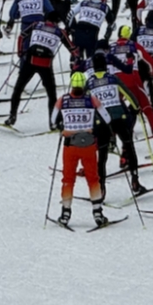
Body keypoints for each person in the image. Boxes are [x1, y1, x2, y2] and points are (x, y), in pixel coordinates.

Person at [51, 72, 115, 228]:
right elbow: (107, 118)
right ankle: (98, 213)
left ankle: (65, 213)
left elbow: (53, 120)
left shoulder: (63, 100)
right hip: (88, 145)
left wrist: (62, 125)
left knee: (68, 179)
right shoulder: (91, 99)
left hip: (70, 145)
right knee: (93, 179)